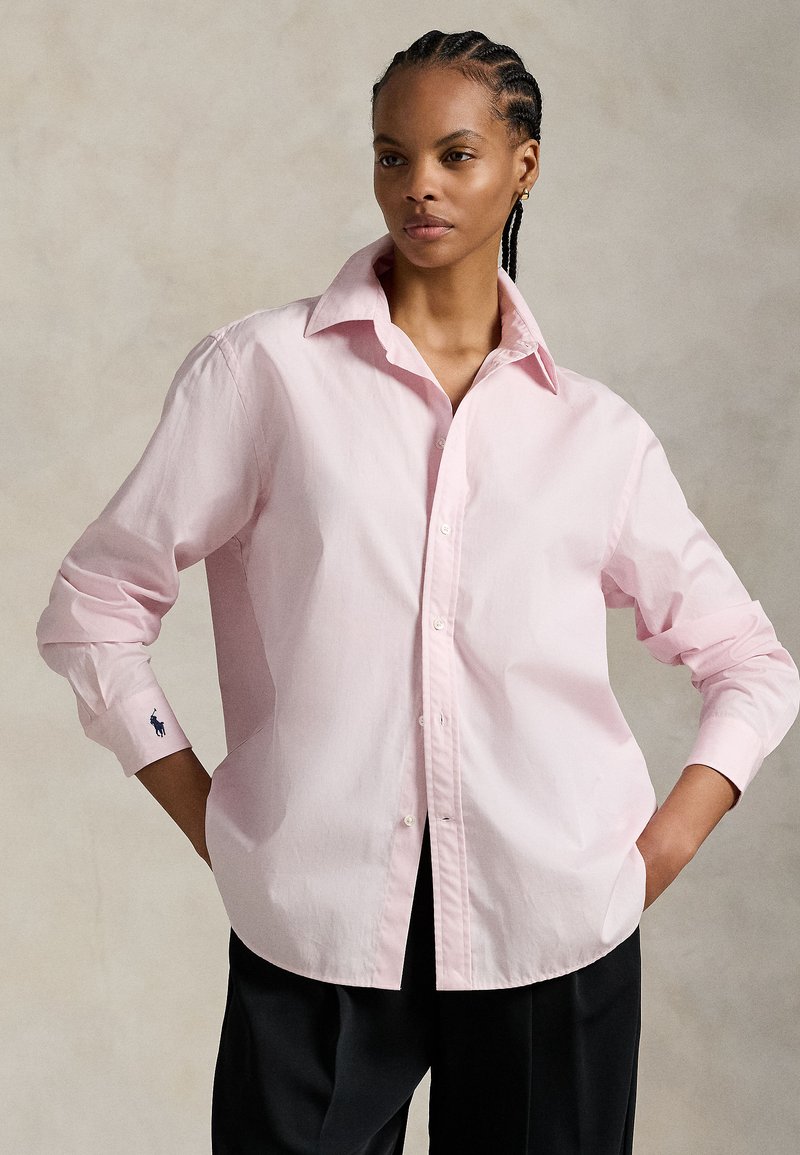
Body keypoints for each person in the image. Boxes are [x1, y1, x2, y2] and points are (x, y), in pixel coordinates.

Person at [35, 27, 799, 1155]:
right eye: (392, 156)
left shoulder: (595, 434)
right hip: (316, 936)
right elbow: (94, 606)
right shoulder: (264, 374)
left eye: (455, 155)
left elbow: (749, 663)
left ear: (523, 167)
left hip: (554, 933)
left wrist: (655, 854)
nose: (418, 186)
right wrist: (218, 822)